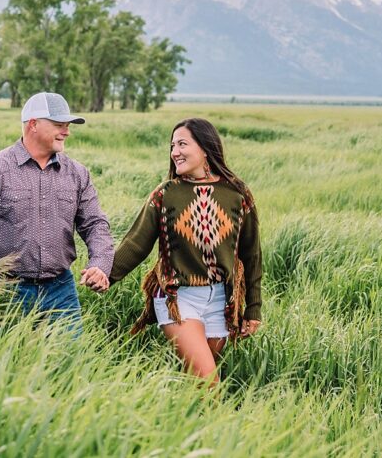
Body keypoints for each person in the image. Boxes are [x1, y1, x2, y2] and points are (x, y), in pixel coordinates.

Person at [104, 117, 263, 384]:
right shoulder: (165, 194)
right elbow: (135, 244)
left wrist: (253, 308)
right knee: (209, 383)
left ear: (205, 149)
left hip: (220, 302)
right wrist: (104, 275)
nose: (174, 152)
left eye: (182, 144)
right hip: (177, 299)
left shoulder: (238, 193)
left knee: (196, 385)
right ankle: (220, 425)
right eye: (172, 146)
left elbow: (252, 254)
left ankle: (178, 421)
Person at [0, 92, 113, 333]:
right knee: (7, 365)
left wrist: (100, 264)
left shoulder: (77, 174)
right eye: (59, 125)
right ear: (33, 124)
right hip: (7, 290)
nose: (66, 131)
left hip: (61, 290)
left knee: (69, 364)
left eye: (67, 126)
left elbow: (96, 225)